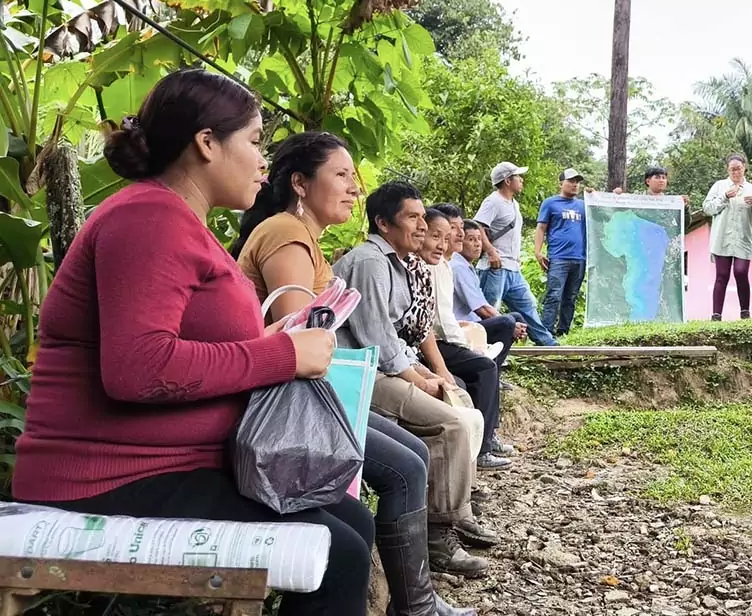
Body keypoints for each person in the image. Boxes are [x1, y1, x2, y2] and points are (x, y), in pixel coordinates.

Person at [11, 68, 371, 616]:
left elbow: (191, 340)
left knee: (355, 521)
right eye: (254, 141)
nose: (263, 160)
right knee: (337, 551)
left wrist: (270, 339)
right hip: (108, 472)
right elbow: (138, 367)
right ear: (206, 143)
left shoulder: (178, 220)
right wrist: (281, 355)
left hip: (171, 462)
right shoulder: (148, 218)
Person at [231, 132, 476, 616]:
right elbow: (301, 338)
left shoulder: (303, 237)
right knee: (405, 467)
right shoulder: (286, 234)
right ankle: (416, 605)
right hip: (286, 405)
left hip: (311, 390)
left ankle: (418, 598)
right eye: (341, 175)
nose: (354, 188)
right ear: (300, 183)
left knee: (411, 458)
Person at [332, 183, 498, 579]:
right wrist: (415, 376)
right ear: (383, 223)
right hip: (357, 373)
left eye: (423, 217)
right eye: (413, 217)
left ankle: (453, 517)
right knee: (451, 423)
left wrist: (422, 370)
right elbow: (375, 337)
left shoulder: (394, 263)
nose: (422, 226)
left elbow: (398, 335)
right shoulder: (371, 262)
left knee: (457, 403)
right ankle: (439, 536)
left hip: (381, 366)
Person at [423, 202, 514, 470]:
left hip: (443, 337)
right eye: (454, 229)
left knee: (492, 354)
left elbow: (446, 317)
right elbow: (436, 321)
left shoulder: (447, 264)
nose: (459, 235)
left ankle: (490, 435)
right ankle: (483, 448)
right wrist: (469, 345)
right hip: (432, 344)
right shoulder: (434, 265)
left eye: (461, 228)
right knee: (485, 367)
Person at [475, 162, 557, 346]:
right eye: (517, 176)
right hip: (495, 266)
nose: (521, 180)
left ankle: (548, 343)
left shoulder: (514, 204)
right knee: (489, 309)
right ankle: (482, 346)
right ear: (507, 181)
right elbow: (478, 226)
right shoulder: (493, 201)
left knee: (528, 305)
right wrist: (491, 251)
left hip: (512, 267)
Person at [453, 218, 527, 369]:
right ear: (460, 242)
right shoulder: (458, 267)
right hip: (462, 328)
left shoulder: (466, 266)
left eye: (479, 239)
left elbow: (484, 305)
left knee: (514, 318)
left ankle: (495, 370)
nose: (477, 244)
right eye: (471, 239)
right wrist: (510, 324)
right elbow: (482, 309)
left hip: (473, 323)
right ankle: (491, 370)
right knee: (507, 323)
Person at [703, 154, 752, 321]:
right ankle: (716, 315)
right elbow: (707, 208)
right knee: (722, 275)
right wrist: (725, 197)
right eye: (732, 169)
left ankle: (745, 312)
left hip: (743, 237)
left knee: (741, 272)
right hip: (722, 238)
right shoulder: (719, 186)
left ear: (744, 168)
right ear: (728, 170)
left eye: (738, 168)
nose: (735, 172)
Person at [534, 169, 588, 337]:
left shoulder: (584, 205)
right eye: (571, 181)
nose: (575, 184)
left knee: (570, 297)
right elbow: (541, 228)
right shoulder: (550, 203)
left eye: (577, 182)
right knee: (554, 295)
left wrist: (599, 196)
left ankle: (563, 332)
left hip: (580, 257)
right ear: (561, 183)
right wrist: (538, 252)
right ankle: (546, 332)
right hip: (558, 257)